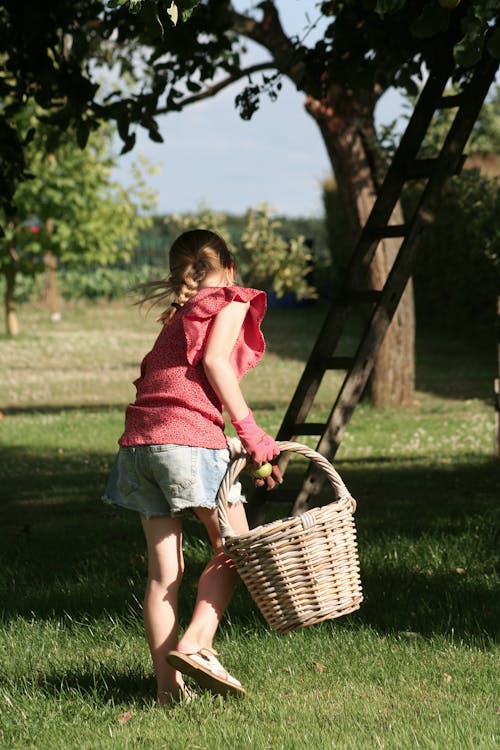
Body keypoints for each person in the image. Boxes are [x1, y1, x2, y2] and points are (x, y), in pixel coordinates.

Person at [103, 229, 282, 705]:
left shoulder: (177, 314)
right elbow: (216, 363)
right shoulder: (232, 297)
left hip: (141, 447)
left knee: (164, 576)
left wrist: (224, 440)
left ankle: (167, 693)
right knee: (239, 548)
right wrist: (251, 432)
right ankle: (198, 644)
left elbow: (178, 394)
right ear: (229, 263)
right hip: (184, 444)